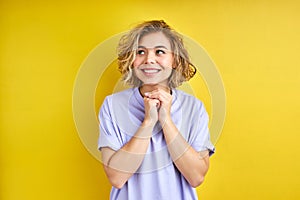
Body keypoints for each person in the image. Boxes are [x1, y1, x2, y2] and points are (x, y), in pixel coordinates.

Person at [98, 20, 215, 200]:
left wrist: (166, 120)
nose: (149, 59)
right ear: (132, 60)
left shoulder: (194, 108)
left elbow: (196, 177)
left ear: (175, 60)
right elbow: (117, 177)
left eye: (159, 51)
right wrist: (148, 122)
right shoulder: (112, 105)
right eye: (140, 52)